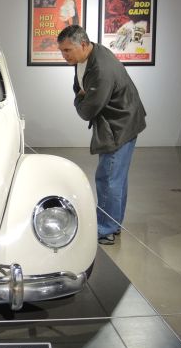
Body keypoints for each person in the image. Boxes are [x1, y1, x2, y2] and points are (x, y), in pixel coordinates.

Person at [57, 24, 146, 245]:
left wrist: (79, 99)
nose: (63, 55)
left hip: (119, 125)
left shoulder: (101, 69)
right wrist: (82, 94)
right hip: (119, 120)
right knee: (116, 178)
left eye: (67, 50)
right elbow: (79, 86)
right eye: (61, 50)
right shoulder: (84, 57)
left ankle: (105, 230)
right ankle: (114, 224)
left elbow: (87, 111)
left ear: (84, 45)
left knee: (108, 179)